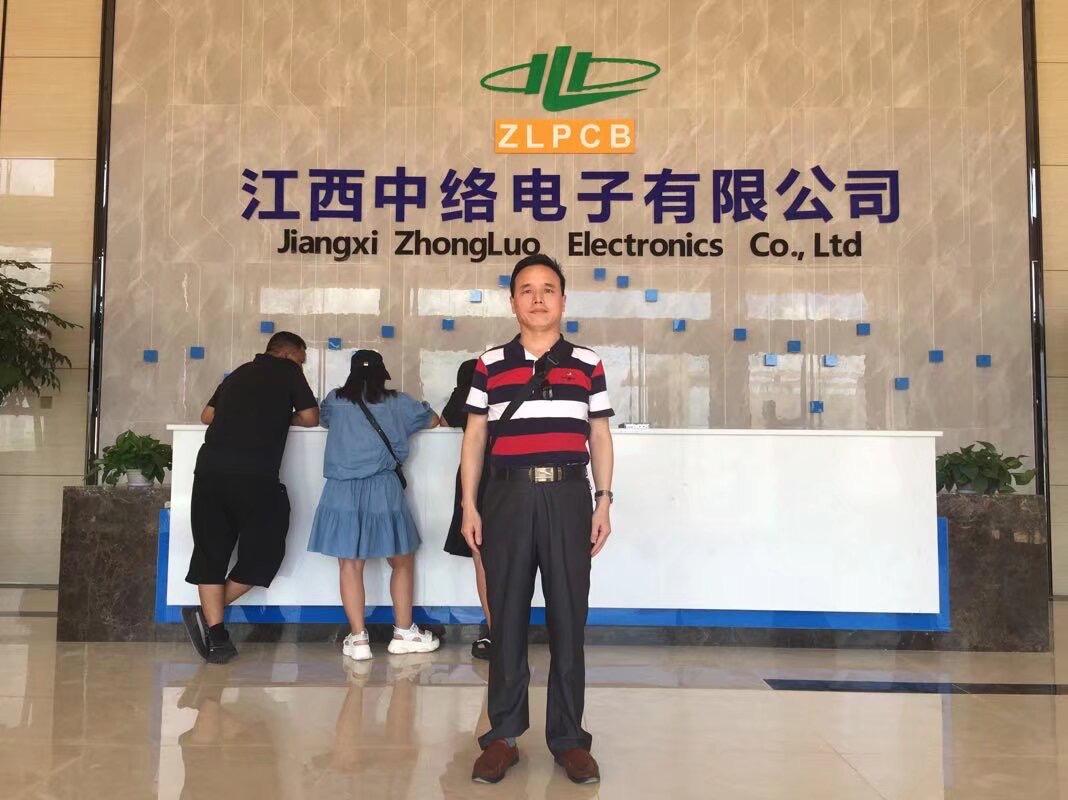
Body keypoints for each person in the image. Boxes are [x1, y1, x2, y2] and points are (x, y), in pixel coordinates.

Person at [461, 254, 615, 785]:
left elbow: (599, 435)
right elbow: (474, 436)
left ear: (563, 301)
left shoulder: (588, 363)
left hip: (569, 496)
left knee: (569, 618)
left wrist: (604, 500)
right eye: (526, 289)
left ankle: (569, 739)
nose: (538, 298)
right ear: (513, 302)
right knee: (505, 617)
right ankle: (502, 736)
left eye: (548, 288)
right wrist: (469, 504)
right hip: (507, 497)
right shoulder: (490, 363)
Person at [182, 331, 320, 664]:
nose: (302, 366)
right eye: (301, 359)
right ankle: (209, 617)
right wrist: (281, 417)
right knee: (266, 552)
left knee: (211, 551)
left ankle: (217, 635)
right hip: (255, 475)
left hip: (210, 472)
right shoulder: (288, 373)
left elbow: (206, 416)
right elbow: (311, 417)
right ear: (287, 355)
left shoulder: (238, 373)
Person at [306, 349, 442, 660]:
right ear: (383, 374)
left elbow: (320, 419)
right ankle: (404, 632)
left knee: (350, 565)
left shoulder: (335, 400)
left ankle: (358, 640)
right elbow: (433, 420)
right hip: (383, 487)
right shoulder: (399, 402)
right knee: (401, 560)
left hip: (341, 490)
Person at [441, 359, 492, 660]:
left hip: (474, 479)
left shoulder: (464, 393)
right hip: (510, 476)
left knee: (482, 557)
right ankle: (506, 630)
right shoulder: (502, 388)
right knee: (511, 557)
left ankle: (495, 630)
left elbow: (445, 421)